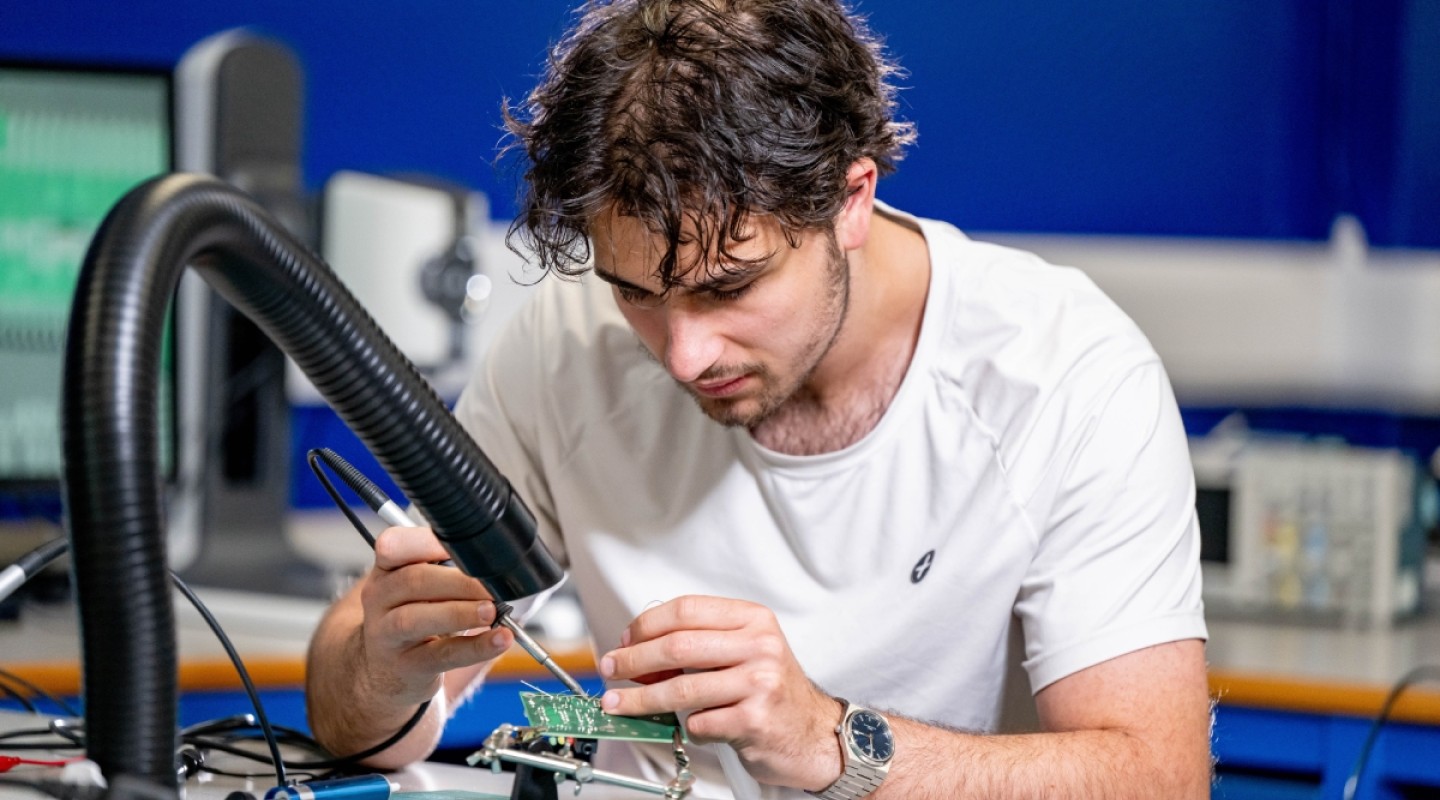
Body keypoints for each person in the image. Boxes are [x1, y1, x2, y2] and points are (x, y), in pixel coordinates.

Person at [305, 1, 1212, 797]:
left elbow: (1158, 780)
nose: (686, 354)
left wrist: (827, 739)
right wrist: (383, 669)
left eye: (729, 286)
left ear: (850, 200)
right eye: (637, 294)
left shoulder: (1063, 373)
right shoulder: (564, 343)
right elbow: (363, 721)